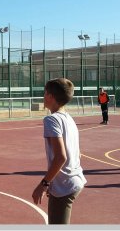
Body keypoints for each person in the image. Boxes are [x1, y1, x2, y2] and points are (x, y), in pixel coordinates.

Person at [32, 78, 87, 224]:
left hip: (66, 185)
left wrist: (43, 184)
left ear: (50, 96)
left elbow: (61, 157)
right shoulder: (69, 119)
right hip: (72, 181)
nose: (43, 96)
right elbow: (77, 153)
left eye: (45, 93)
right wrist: (53, 183)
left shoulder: (51, 120)